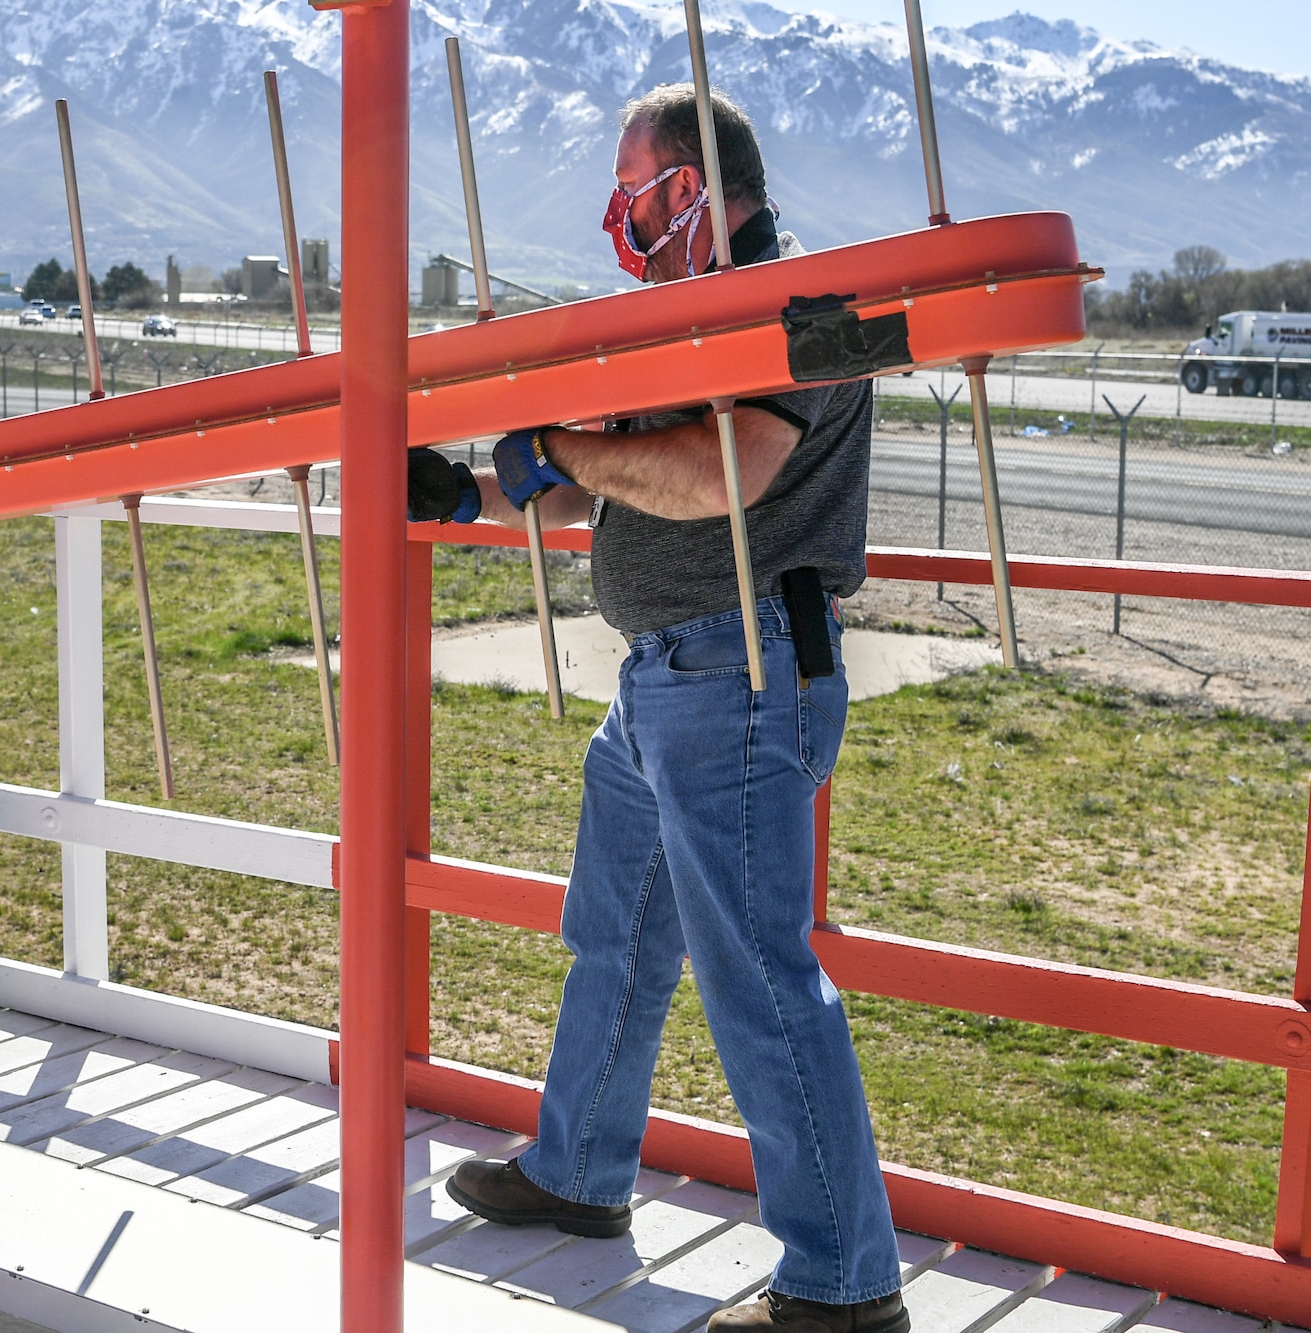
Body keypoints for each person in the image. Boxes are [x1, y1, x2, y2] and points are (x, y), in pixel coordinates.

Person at [416, 85, 908, 1332]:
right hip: (665, 678)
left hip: (737, 677)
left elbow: (716, 471)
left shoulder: (805, 305)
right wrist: (479, 491)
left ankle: (842, 1288)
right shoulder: (687, 317)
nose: (613, 216)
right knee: (616, 936)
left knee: (756, 980)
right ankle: (578, 1169)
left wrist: (562, 448)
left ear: (689, 189)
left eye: (630, 187)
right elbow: (630, 491)